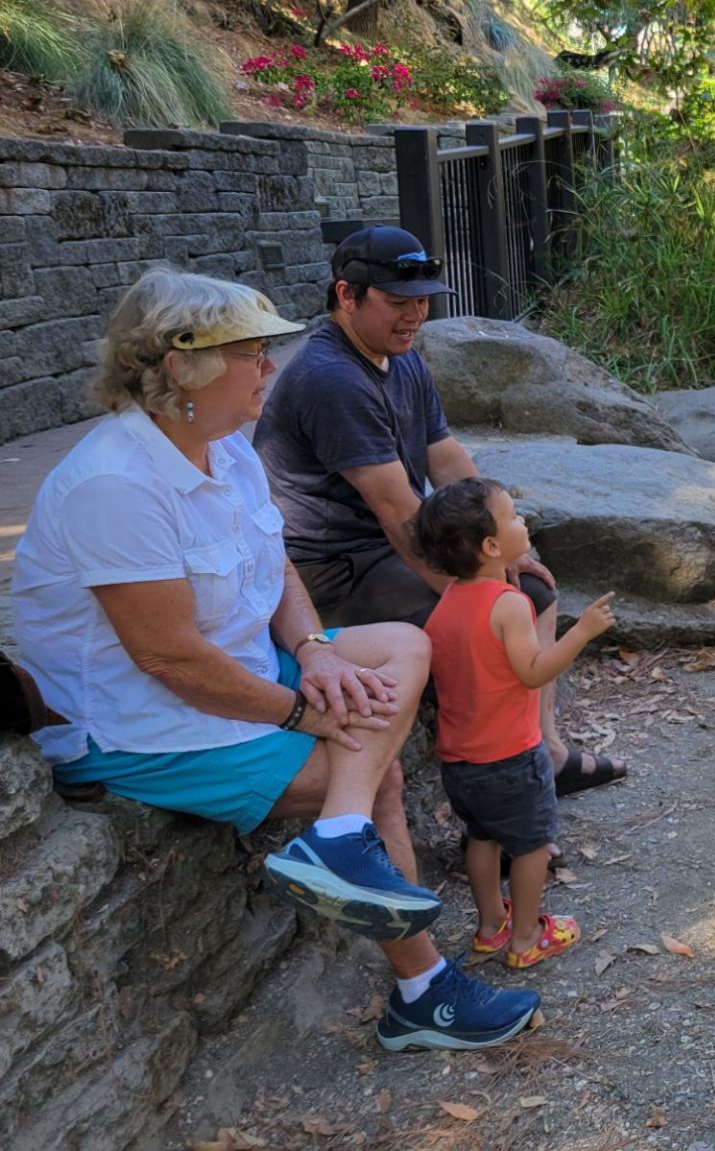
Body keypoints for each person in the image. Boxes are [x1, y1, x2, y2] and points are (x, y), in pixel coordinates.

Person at [11, 268, 537, 1051]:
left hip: (240, 668)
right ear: (181, 367)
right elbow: (168, 659)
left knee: (402, 643)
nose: (270, 367)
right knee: (375, 771)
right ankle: (422, 989)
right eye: (251, 353)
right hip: (139, 722)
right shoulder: (114, 485)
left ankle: (342, 839)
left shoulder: (224, 447)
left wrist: (315, 653)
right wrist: (299, 711)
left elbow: (277, 564)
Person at [253, 226, 625, 797]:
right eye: (397, 302)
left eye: (422, 301)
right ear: (347, 295)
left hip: (380, 551)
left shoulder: (400, 359)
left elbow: (447, 459)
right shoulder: (331, 379)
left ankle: (544, 753)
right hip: (332, 571)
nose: (415, 316)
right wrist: (481, 588)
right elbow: (398, 511)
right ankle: (495, 789)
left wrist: (502, 542)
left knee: (532, 593)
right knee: (490, 626)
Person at [413, 478, 617, 968]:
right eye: (513, 516)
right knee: (531, 847)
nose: (522, 521)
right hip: (511, 758)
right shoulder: (509, 604)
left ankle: (490, 928)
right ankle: (526, 939)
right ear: (491, 546)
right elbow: (534, 672)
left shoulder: (447, 602)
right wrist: (581, 632)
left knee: (481, 837)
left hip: (459, 760)